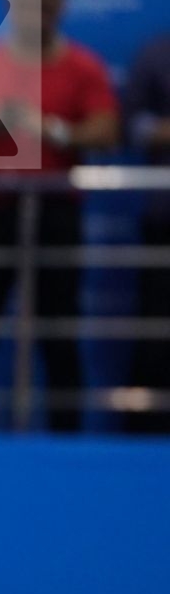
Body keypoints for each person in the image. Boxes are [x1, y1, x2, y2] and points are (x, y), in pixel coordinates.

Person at [0, 0, 118, 433]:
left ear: (61, 5)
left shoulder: (83, 66)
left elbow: (106, 130)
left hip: (55, 213)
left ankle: (67, 443)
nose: (33, 13)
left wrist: (55, 130)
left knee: (58, 334)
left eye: (44, 4)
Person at [124, 29, 170, 433]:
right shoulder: (156, 55)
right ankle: (146, 433)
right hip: (164, 219)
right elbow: (132, 125)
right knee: (157, 332)